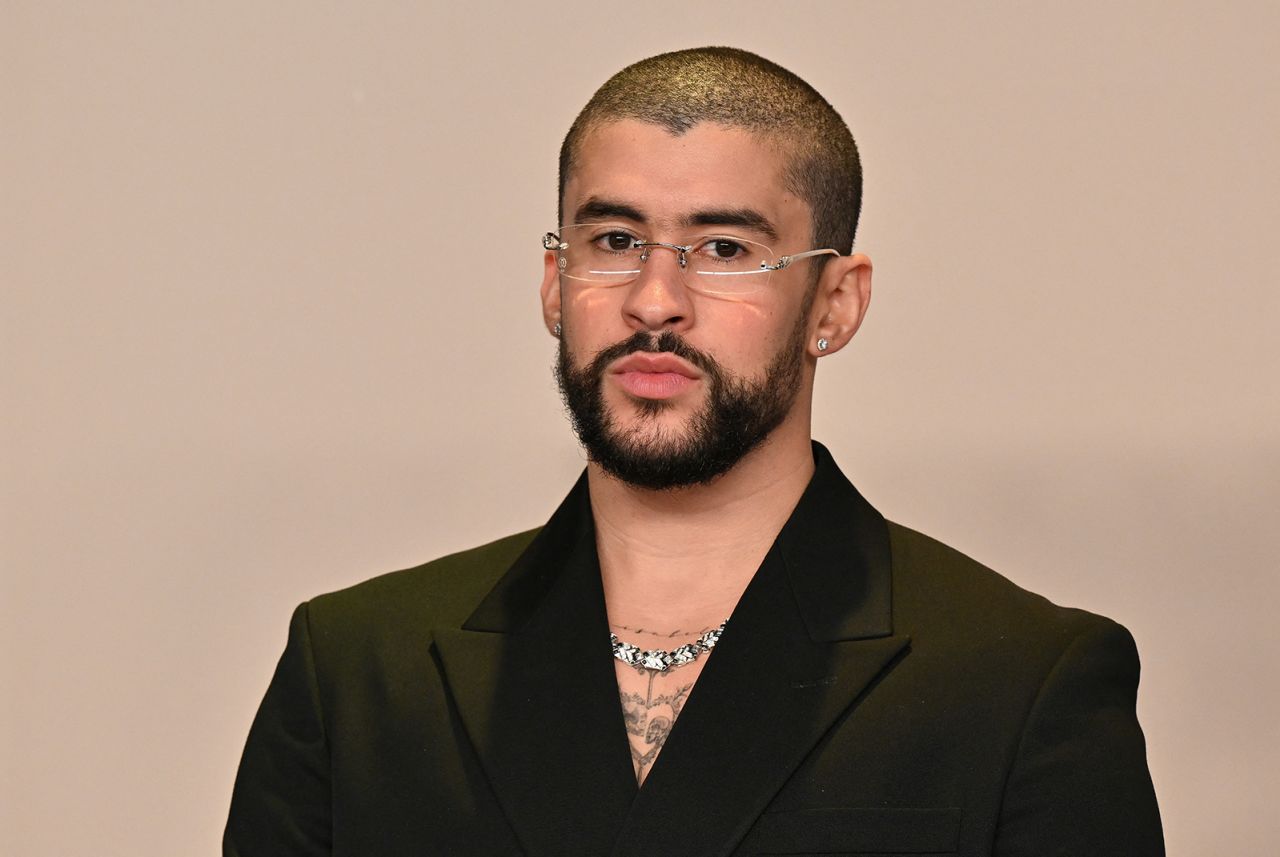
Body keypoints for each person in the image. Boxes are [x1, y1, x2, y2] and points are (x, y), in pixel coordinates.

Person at [224, 47, 1163, 856]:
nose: (654, 301)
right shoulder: (356, 671)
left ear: (836, 303)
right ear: (556, 283)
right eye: (616, 238)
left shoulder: (1019, 681)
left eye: (721, 248)